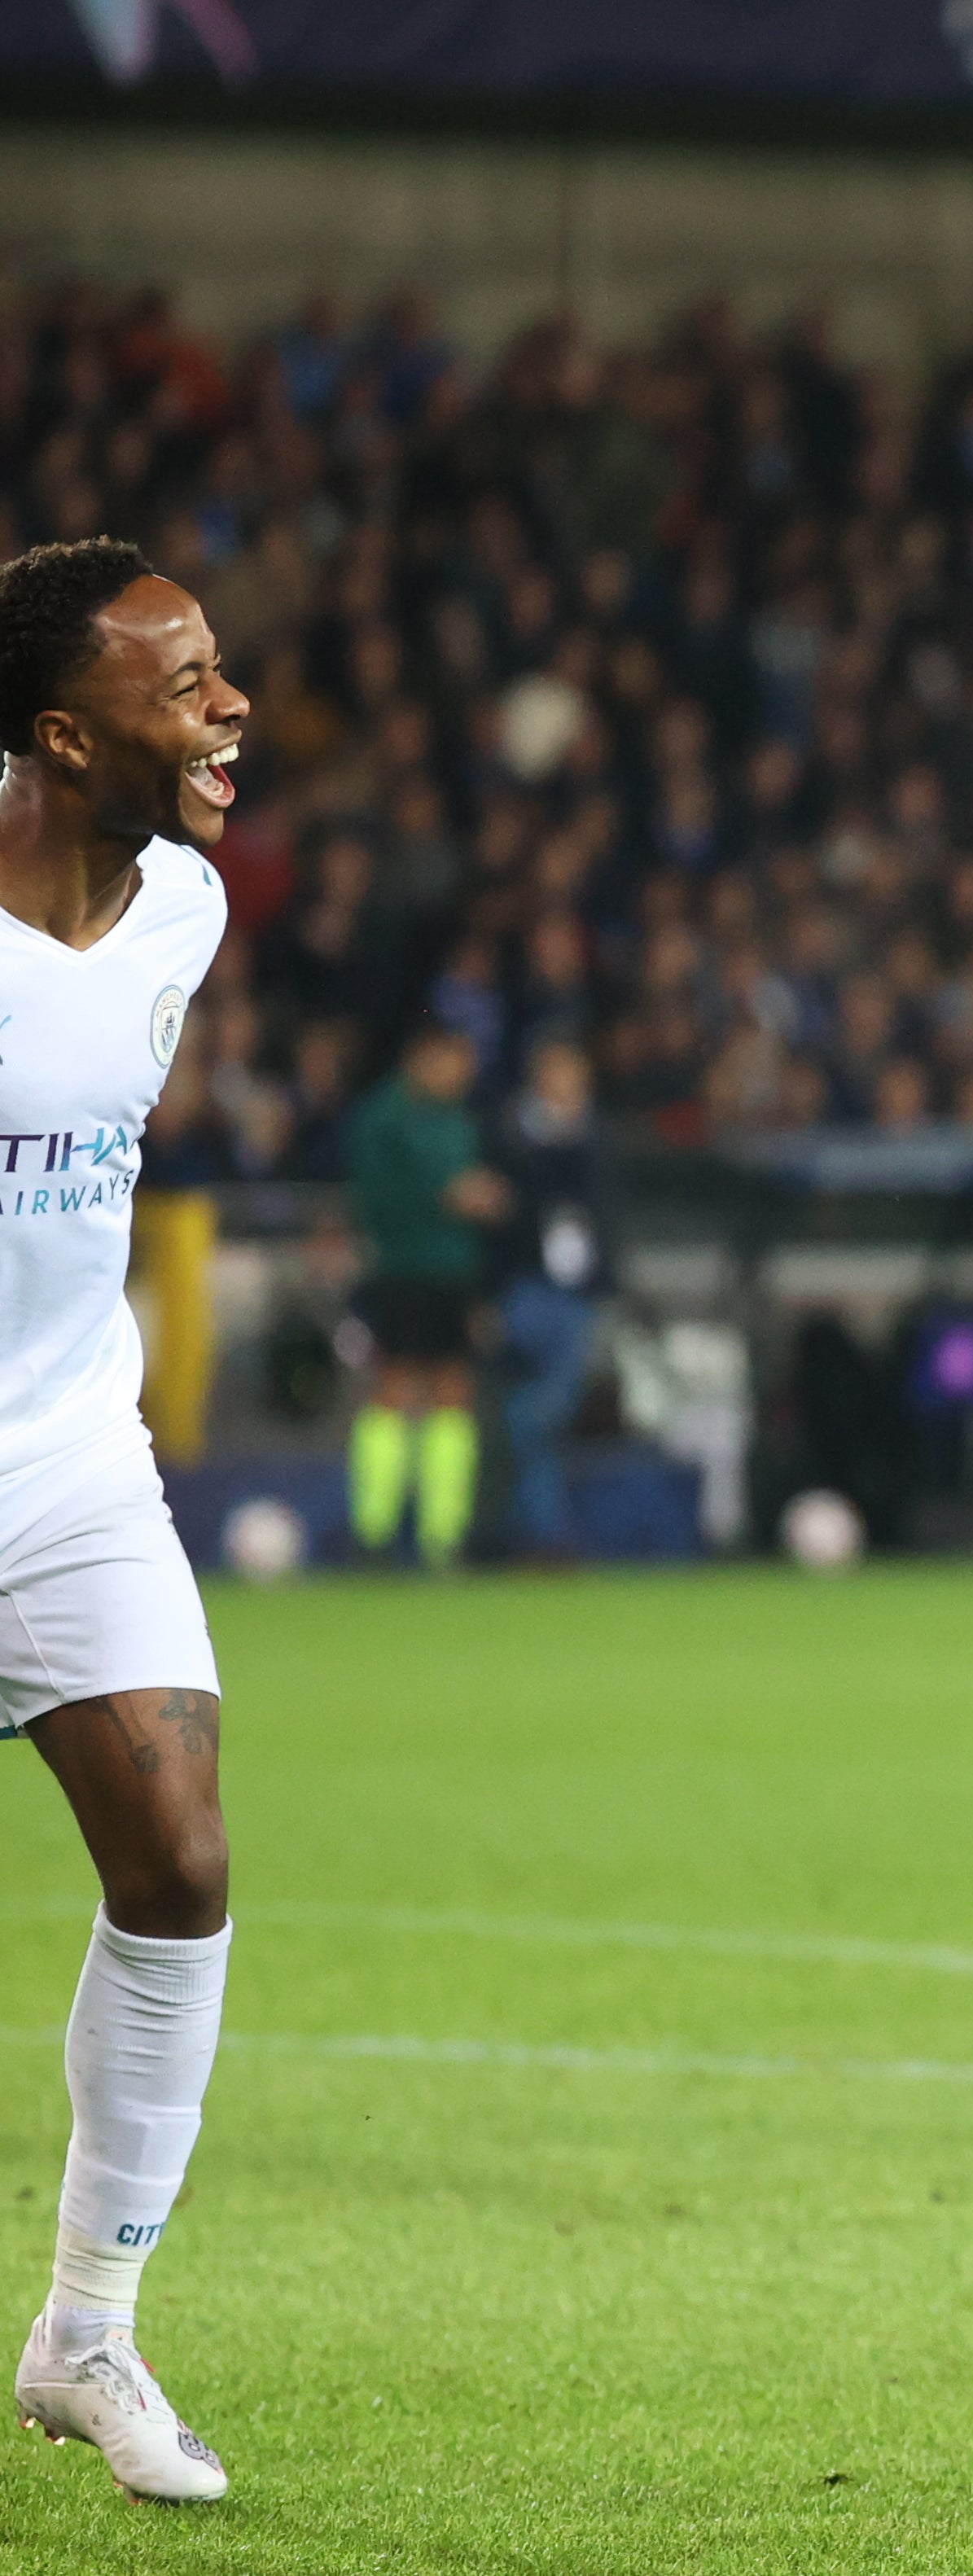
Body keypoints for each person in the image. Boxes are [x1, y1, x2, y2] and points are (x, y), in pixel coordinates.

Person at [0, 534, 249, 2502]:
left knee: (177, 1862)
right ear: (67, 736)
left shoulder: (188, 906)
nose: (228, 704)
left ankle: (88, 2338)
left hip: (71, 1459)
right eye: (184, 686)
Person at [342, 1016, 505, 1571]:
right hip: (402, 1270)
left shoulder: (458, 1118)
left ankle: (442, 1539)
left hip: (454, 1276)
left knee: (453, 1394)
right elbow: (376, 1198)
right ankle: (373, 1533)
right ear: (421, 1056)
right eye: (451, 1058)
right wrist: (446, 1197)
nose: (461, 1071)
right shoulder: (385, 1117)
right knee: (394, 1390)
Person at [489, 1036, 615, 1561]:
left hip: (576, 1295)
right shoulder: (510, 1135)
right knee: (531, 1414)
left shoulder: (598, 1137)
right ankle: (541, 1533)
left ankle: (536, 1531)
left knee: (543, 1415)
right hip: (524, 1291)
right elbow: (497, 1219)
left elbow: (609, 1216)